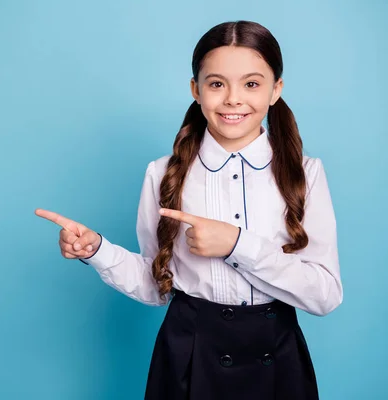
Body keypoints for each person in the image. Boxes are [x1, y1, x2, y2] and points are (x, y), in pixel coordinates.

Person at [35, 20, 342, 400]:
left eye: (251, 83)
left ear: (275, 90)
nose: (233, 98)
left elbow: (325, 296)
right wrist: (98, 250)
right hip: (189, 357)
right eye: (216, 84)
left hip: (277, 361)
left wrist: (237, 244)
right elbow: (155, 286)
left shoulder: (306, 174)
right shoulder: (163, 173)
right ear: (196, 90)